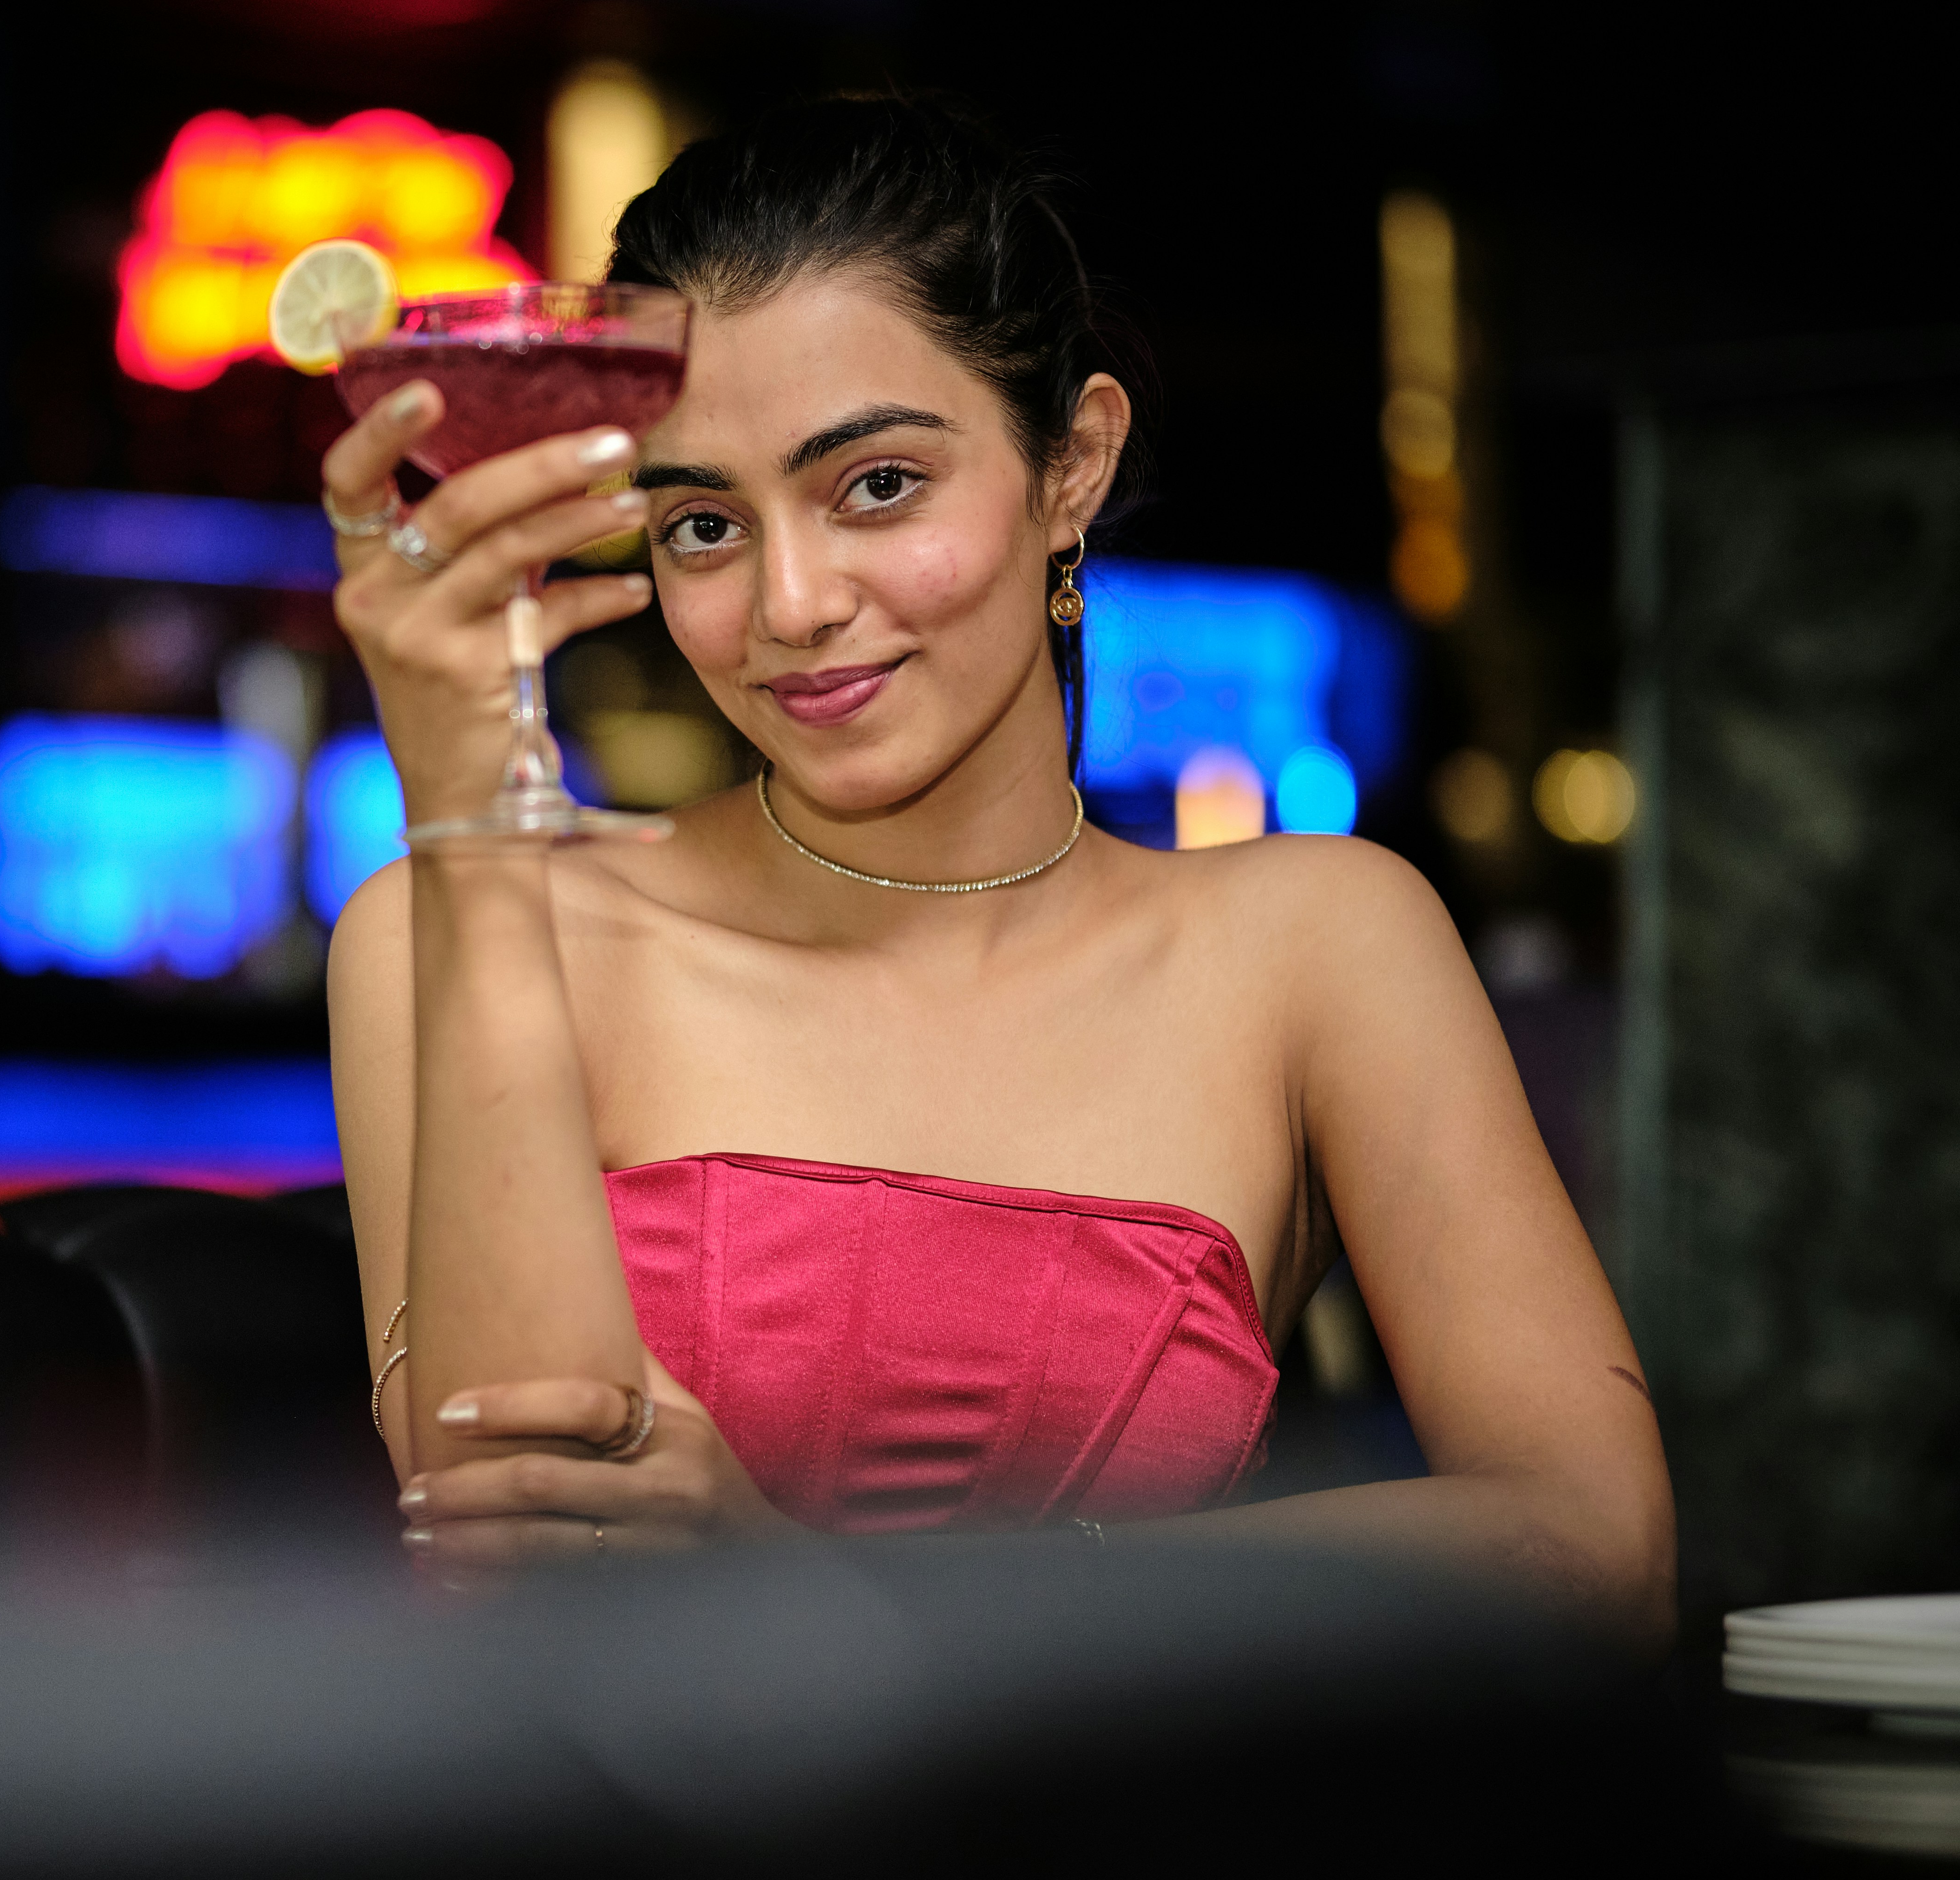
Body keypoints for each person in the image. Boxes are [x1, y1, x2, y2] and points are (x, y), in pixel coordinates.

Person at [318, 93, 1672, 1648]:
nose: (792, 603)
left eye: (878, 485)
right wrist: (471, 813)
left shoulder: (1317, 943)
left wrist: (839, 1584)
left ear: (1072, 463)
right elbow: (521, 1559)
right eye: (700, 525)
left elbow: (1596, 1546)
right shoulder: (470, 921)